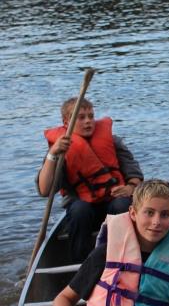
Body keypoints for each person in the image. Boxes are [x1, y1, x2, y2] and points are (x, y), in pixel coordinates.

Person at [38, 97, 143, 262]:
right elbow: (44, 190)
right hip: (82, 211)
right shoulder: (62, 148)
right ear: (66, 122)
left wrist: (131, 187)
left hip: (113, 203)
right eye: (80, 117)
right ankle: (82, 266)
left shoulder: (112, 141)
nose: (88, 121)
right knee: (80, 209)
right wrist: (53, 153)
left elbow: (134, 172)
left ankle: (126, 260)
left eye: (91, 116)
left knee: (123, 203)